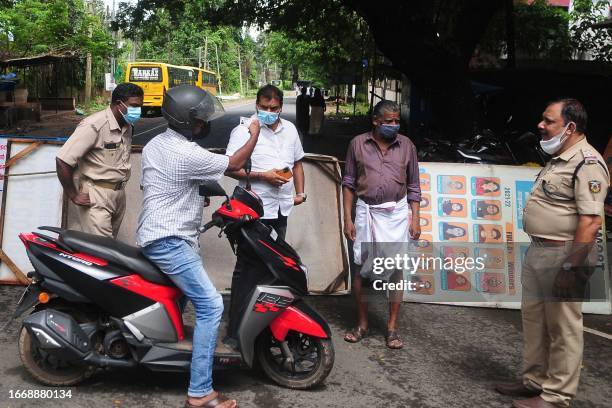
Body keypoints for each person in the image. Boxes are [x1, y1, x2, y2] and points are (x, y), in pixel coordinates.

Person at [137, 85, 261, 408]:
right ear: (186, 121)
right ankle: (200, 392)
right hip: (170, 241)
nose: (204, 124)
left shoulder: (154, 145)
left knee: (178, 299)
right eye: (200, 119)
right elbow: (234, 164)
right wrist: (254, 134)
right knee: (211, 306)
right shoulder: (187, 153)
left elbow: (162, 182)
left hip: (154, 233)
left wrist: (195, 191)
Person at [495, 99, 609, 408]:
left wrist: (569, 269)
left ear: (570, 127)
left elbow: (590, 221)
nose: (540, 126)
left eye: (548, 121)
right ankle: (534, 381)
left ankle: (556, 396)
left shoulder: (588, 163)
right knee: (534, 321)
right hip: (541, 251)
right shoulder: (560, 158)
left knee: (563, 329)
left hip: (564, 256)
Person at [342, 100, 421, 350]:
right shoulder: (357, 144)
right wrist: (348, 218)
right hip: (366, 213)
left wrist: (415, 218)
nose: (393, 125)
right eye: (389, 121)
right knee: (360, 269)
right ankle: (362, 324)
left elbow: (414, 186)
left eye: (397, 121)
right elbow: (349, 183)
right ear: (375, 121)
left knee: (396, 270)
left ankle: (392, 328)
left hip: (396, 214)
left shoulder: (407, 146)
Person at [56, 83, 143, 238]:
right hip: (96, 194)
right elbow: (63, 160)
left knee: (110, 248)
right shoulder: (94, 125)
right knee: (102, 251)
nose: (138, 111)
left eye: (140, 106)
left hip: (119, 194)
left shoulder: (127, 125)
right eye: (134, 106)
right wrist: (73, 194)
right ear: (119, 104)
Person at [226, 84, 306, 240]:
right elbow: (228, 168)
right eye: (264, 107)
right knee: (251, 260)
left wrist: (301, 194)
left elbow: (297, 164)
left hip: (282, 209)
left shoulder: (290, 129)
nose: (268, 112)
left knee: (277, 259)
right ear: (257, 105)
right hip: (253, 210)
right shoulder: (244, 131)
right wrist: (263, 176)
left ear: (280, 108)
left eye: (273, 108)